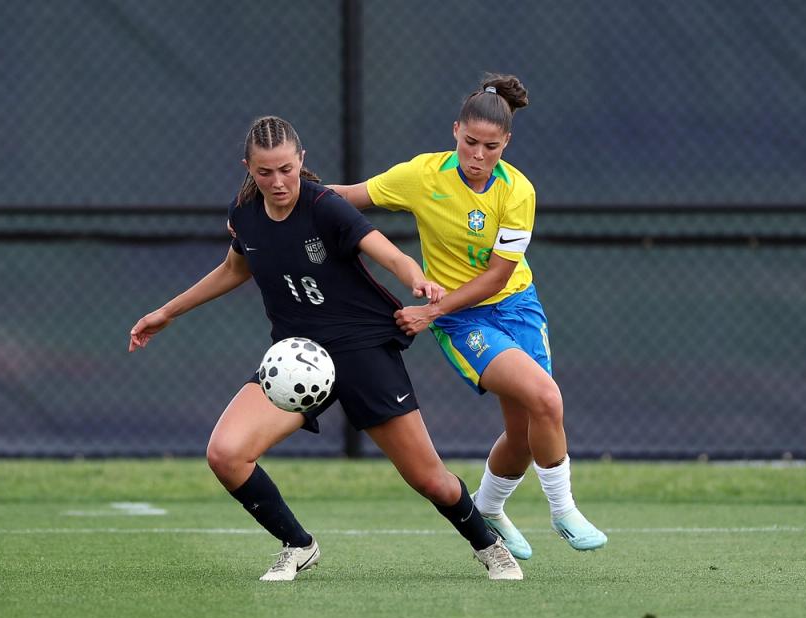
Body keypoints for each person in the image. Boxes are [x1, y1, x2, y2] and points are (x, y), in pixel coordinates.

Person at [129, 115, 522, 581]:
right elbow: (235, 269)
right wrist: (167, 312)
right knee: (226, 454)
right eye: (265, 172)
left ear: (302, 161)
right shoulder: (245, 214)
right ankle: (298, 545)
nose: (278, 182)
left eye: (286, 169)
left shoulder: (325, 206)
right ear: (248, 168)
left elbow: (387, 251)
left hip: (362, 349)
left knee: (428, 478)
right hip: (297, 359)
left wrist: (417, 279)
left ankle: (489, 545)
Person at [329, 74, 607, 559]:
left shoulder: (518, 191)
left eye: (491, 147)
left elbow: (498, 277)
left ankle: (488, 508)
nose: (478, 155)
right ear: (455, 130)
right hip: (463, 320)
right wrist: (283, 192)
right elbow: (348, 196)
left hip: (516, 306)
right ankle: (563, 510)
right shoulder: (423, 175)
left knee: (525, 433)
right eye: (470, 142)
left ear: (507, 143)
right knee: (546, 397)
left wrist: (428, 311)